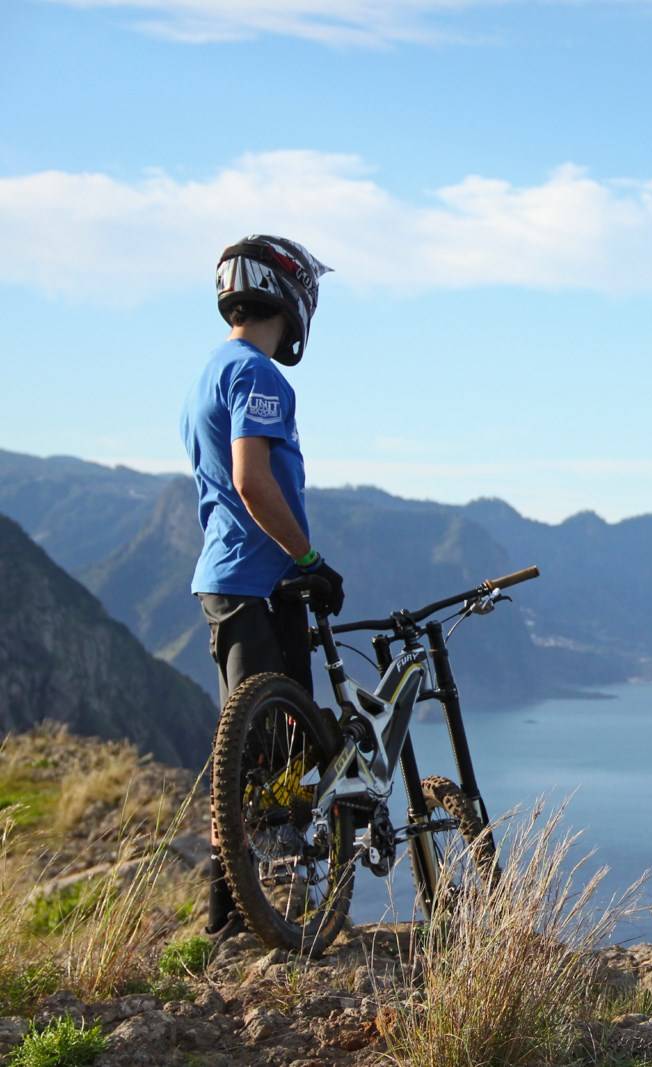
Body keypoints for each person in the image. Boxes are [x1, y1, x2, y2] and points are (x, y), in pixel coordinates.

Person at [179, 235, 345, 934]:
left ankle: (230, 921)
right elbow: (252, 480)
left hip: (227, 580)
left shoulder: (210, 370)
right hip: (259, 581)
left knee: (245, 755)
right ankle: (250, 923)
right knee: (271, 758)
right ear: (291, 293)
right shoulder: (262, 377)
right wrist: (306, 560)